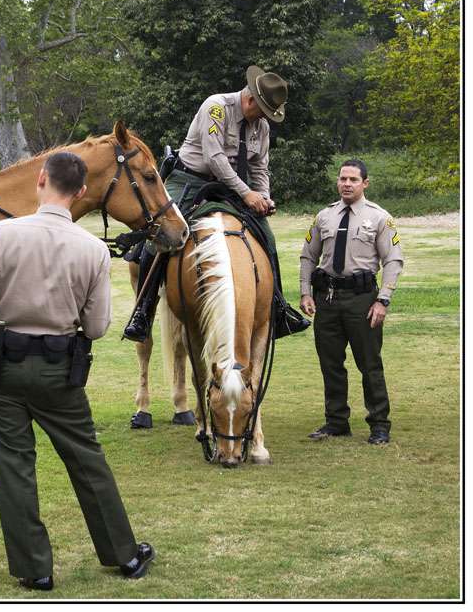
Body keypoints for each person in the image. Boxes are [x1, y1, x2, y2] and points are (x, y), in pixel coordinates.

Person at [0, 151, 155, 591]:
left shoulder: (1, 234)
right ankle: (124, 555)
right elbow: (99, 326)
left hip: (0, 370)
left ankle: (34, 568)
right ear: (81, 192)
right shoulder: (92, 250)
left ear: (40, 179)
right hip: (60, 370)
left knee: (13, 468)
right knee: (87, 461)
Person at [123, 65, 310, 342]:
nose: (264, 118)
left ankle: (278, 309)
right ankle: (144, 311)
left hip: (232, 187)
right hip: (191, 178)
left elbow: (260, 168)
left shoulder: (262, 127)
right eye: (263, 110)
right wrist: (247, 194)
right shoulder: (217, 107)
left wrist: (264, 197)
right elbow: (215, 159)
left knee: (267, 238)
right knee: (161, 233)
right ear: (250, 101)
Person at [299, 159, 403, 445]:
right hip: (328, 299)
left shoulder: (380, 218)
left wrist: (383, 300)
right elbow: (308, 256)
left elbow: (393, 260)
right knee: (330, 363)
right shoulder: (324, 217)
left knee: (369, 365)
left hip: (362, 301)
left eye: (353, 180)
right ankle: (336, 422)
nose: (346, 184)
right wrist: (305, 292)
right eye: (343, 179)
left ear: (365, 183)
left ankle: (379, 424)